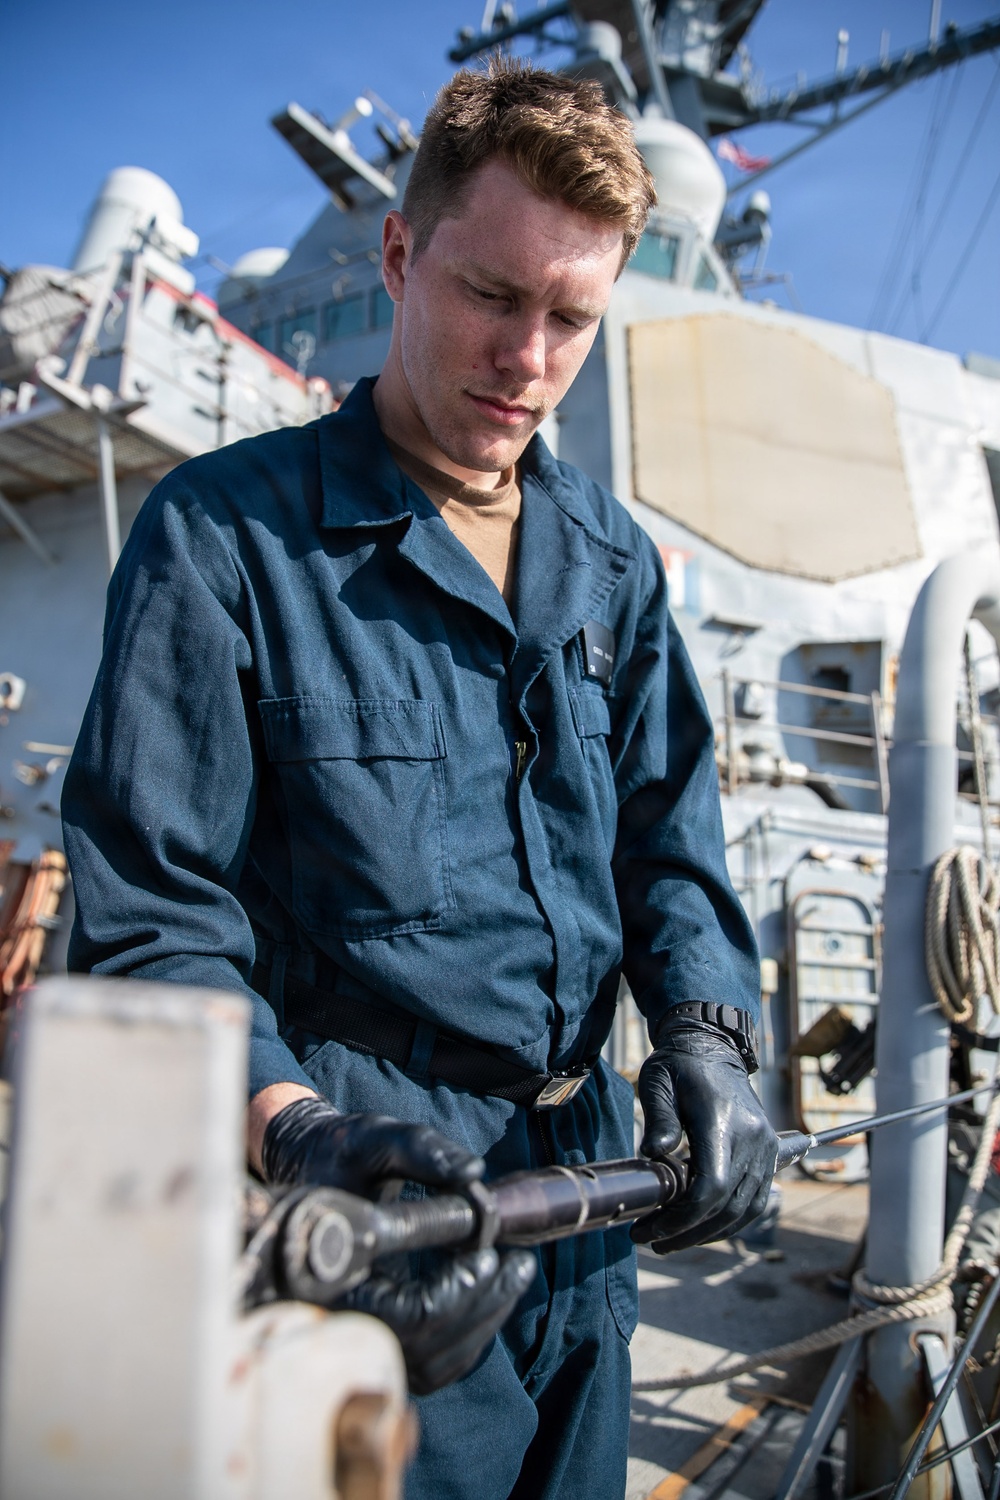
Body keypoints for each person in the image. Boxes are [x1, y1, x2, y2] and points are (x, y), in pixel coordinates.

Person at [62, 57, 777, 1500]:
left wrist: (706, 1034)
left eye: (572, 317)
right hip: (370, 1198)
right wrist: (308, 1138)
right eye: (492, 297)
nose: (528, 355)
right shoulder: (225, 545)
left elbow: (668, 843)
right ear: (400, 253)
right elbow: (152, 919)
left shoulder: (614, 567)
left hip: (585, 1190)